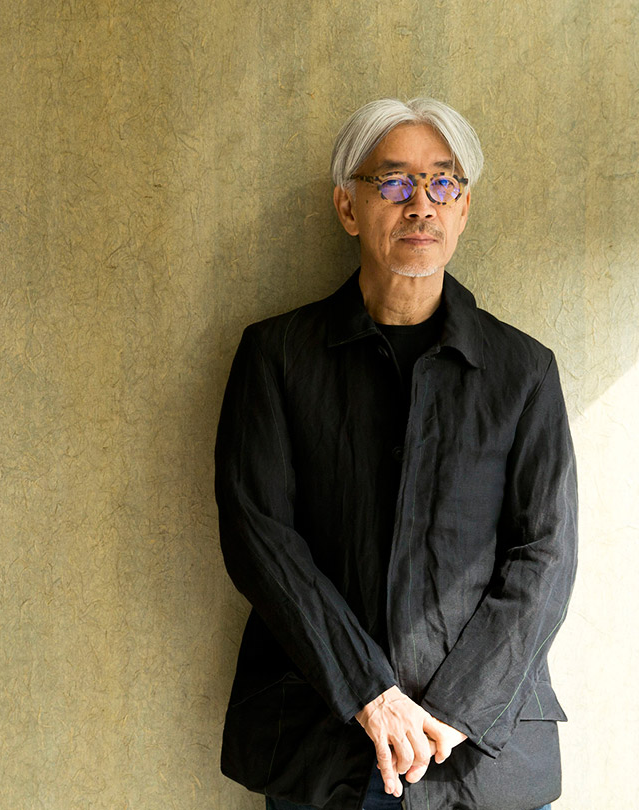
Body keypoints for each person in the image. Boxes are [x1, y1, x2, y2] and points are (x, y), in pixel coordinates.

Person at [213, 98, 577, 810]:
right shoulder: (277, 356)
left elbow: (546, 556)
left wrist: (454, 712)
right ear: (348, 207)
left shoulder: (524, 371)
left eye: (443, 182)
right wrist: (369, 693)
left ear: (463, 210)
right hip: (326, 749)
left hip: (478, 759)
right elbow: (260, 538)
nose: (421, 204)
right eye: (394, 182)